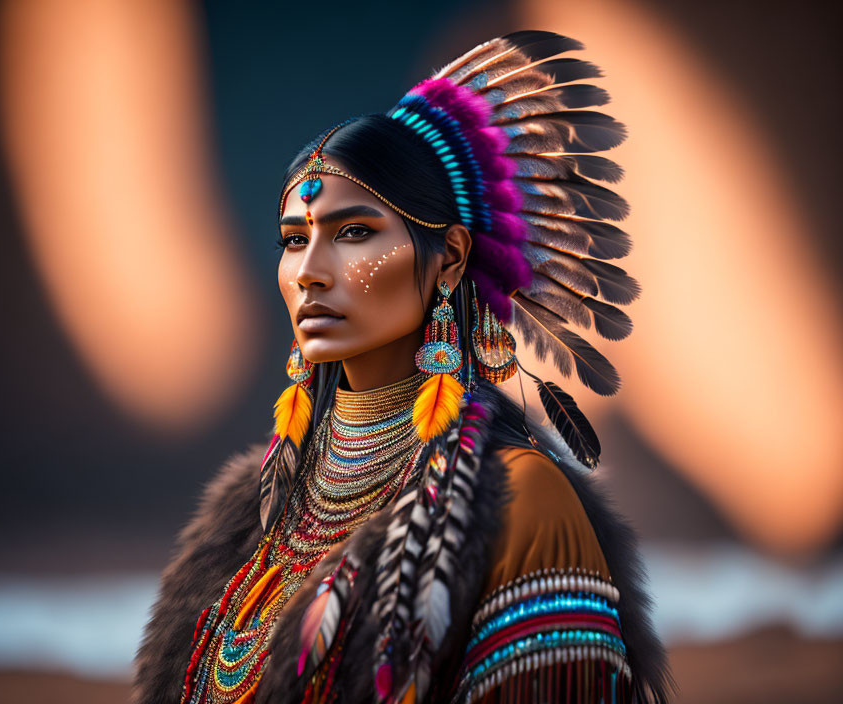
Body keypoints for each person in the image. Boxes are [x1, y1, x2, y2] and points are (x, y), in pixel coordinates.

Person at [134, 31, 673, 704]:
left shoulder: (524, 505)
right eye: (294, 241)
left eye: (354, 234)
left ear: (447, 257)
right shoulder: (258, 510)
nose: (309, 273)